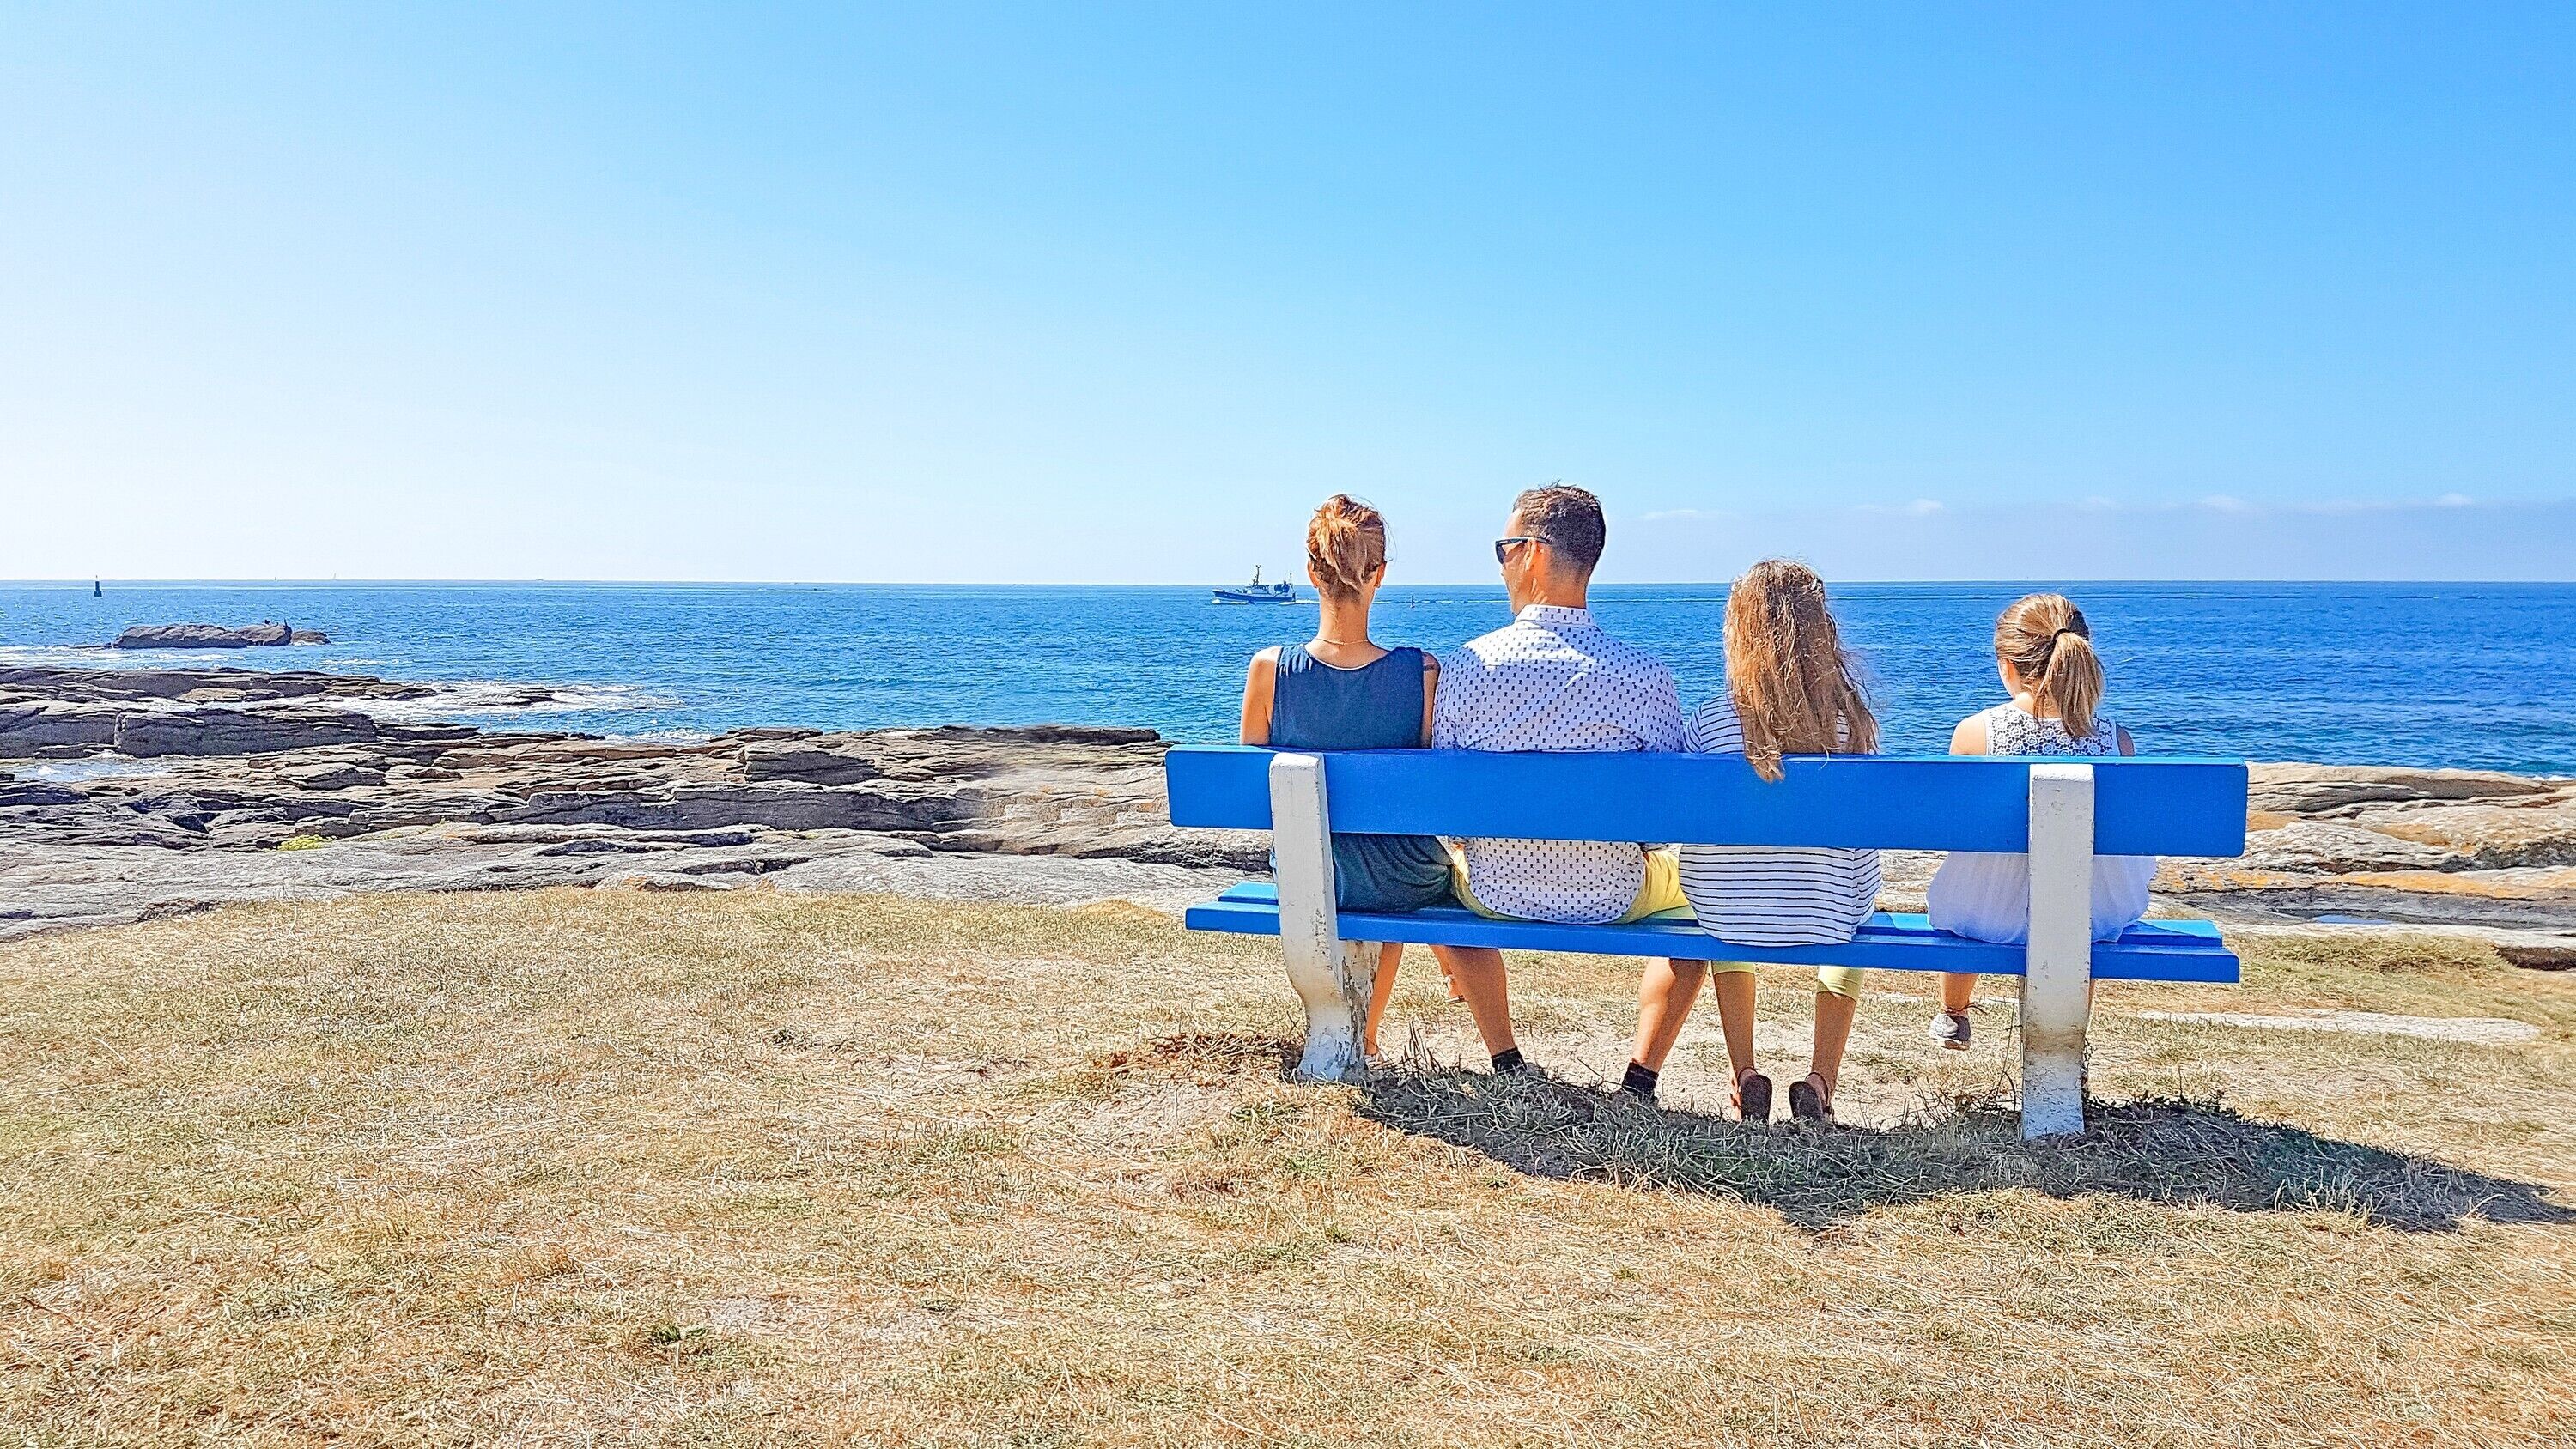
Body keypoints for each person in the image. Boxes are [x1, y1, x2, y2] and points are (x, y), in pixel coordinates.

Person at [1431, 484, 1687, 1074]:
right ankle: (1642, 1075)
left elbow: (1445, 809)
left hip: (1494, 893)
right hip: (1613, 896)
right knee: (1695, 904)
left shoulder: (1470, 666)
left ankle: (1505, 1057)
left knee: (1445, 889)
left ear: (1535, 554)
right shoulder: (1645, 677)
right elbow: (1669, 818)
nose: (1500, 565)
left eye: (1504, 548)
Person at [1624, 561, 1880, 1123]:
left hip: (1728, 917)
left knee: (1726, 901)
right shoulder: (1852, 725)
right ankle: (1820, 1080)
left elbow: (1672, 819)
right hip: (1831, 918)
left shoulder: (1713, 722)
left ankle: (1745, 1074)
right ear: (1821, 634)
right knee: (1848, 904)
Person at [1239, 495, 1461, 1058]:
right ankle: (1366, 1034)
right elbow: (1428, 791)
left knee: (1351, 855)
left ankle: (1355, 1032)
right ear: (1380, 575)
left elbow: (1253, 788)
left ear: (1312, 573)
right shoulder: (1422, 672)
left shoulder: (1268, 670)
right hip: (1401, 878)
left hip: (1311, 875)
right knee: (1394, 857)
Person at [1923, 593, 2154, 1050]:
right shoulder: (2116, 740)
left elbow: (1952, 827)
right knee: (2076, 910)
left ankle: (1953, 1013)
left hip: (1990, 913)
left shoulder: (1976, 733)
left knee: (1965, 890)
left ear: (2007, 666)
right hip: (2094, 913)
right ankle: (2068, 1039)